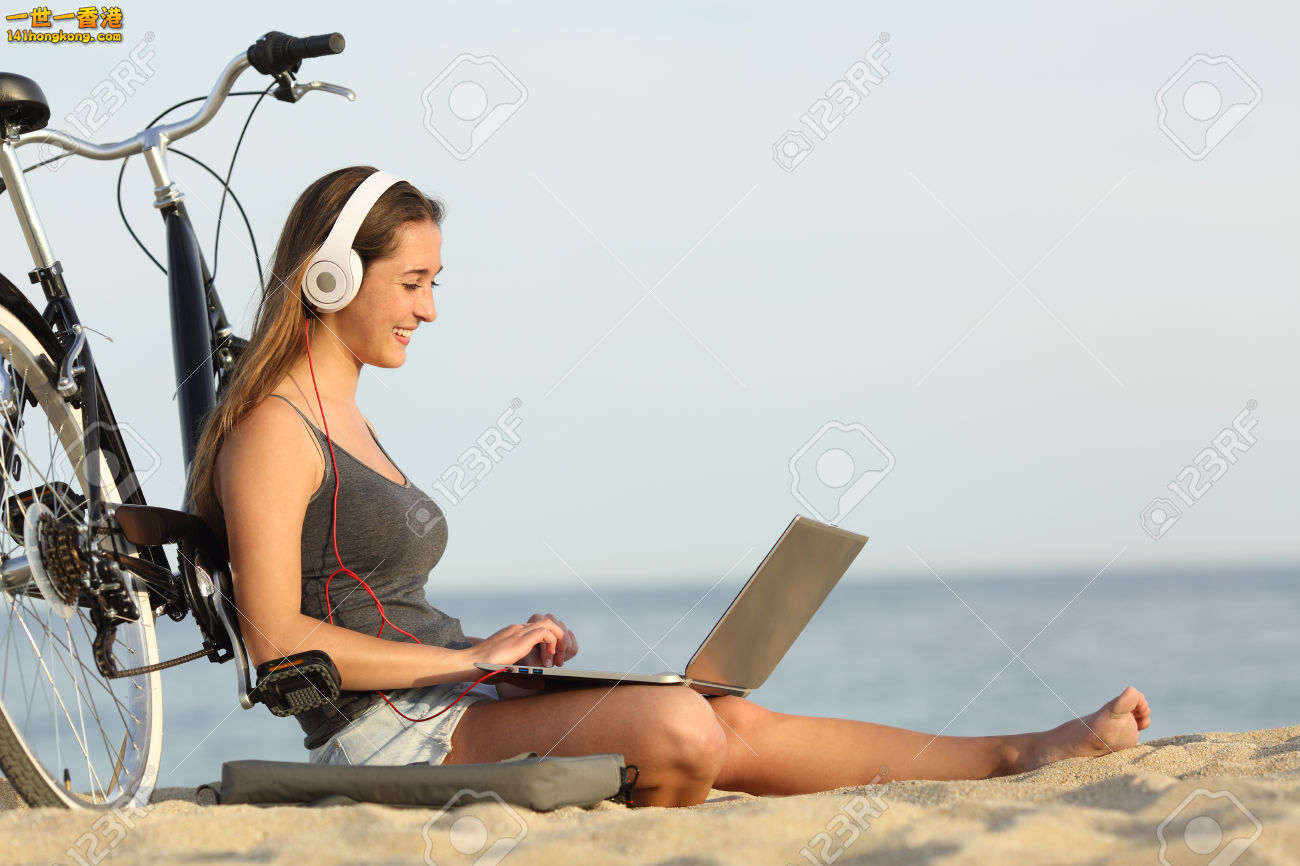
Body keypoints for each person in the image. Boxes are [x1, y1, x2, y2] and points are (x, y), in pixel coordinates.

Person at [187, 166, 1153, 808]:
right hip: (382, 737)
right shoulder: (276, 431)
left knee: (724, 712)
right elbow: (277, 646)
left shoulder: (348, 417)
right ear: (327, 278)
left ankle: (1018, 753)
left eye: (437, 281)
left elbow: (377, 603)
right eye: (412, 282)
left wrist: (495, 657)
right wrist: (467, 656)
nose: (431, 309)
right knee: (682, 727)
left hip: (448, 699)